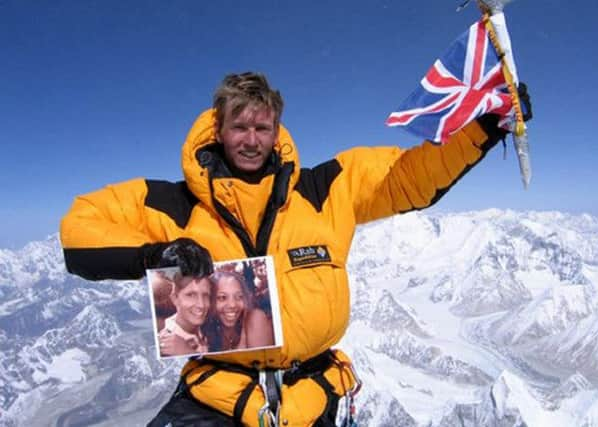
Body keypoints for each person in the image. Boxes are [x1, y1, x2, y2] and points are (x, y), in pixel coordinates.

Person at [60, 72, 531, 426]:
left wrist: (486, 125)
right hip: (215, 398)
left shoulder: (325, 189)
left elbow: (409, 177)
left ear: (277, 130)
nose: (250, 140)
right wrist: (153, 254)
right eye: (239, 127)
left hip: (315, 397)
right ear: (217, 129)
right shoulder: (172, 203)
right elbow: (79, 229)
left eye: (262, 128)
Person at [207, 270, 274, 352]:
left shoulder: (255, 318)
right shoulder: (205, 328)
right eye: (222, 297)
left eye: (239, 297)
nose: (232, 305)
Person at [158, 274, 211, 356]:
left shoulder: (209, 331)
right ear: (175, 298)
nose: (201, 305)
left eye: (205, 295)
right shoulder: (165, 345)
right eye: (191, 295)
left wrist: (189, 352)